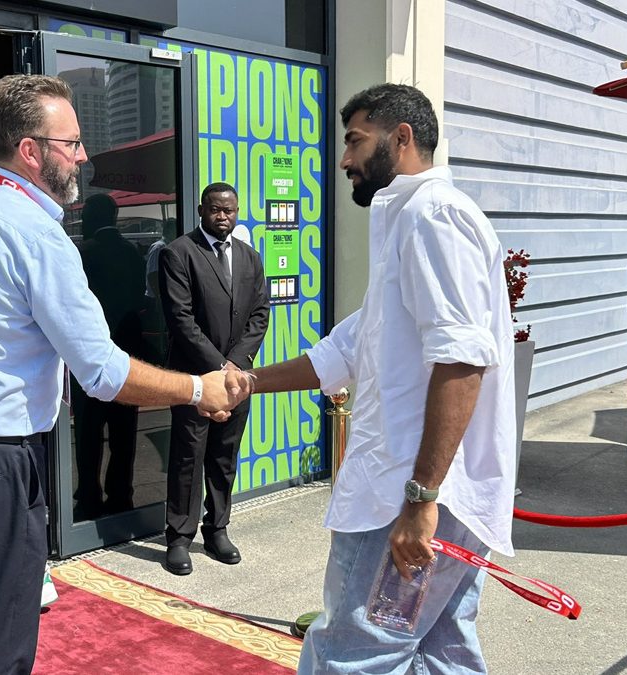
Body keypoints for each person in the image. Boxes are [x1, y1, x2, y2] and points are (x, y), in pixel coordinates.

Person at [0, 74, 247, 675]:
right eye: (73, 143)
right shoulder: (37, 233)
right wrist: (197, 389)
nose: (84, 157)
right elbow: (103, 373)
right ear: (31, 151)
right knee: (0, 633)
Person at [239, 84, 516, 673]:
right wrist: (243, 383)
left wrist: (421, 499)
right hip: (429, 495)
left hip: (406, 499)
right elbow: (345, 352)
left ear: (403, 138)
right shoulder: (407, 222)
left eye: (355, 142)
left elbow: (463, 360)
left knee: (351, 655)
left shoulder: (432, 216)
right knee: (443, 651)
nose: (344, 160)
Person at [158, 182, 269, 575]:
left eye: (230, 210)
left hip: (237, 378)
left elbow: (259, 315)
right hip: (193, 376)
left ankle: (217, 528)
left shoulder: (250, 258)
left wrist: (236, 366)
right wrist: (219, 369)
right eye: (216, 210)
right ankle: (179, 537)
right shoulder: (179, 254)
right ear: (202, 210)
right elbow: (181, 320)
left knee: (225, 456)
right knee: (188, 457)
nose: (223, 216)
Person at [73, 193, 147, 518]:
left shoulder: (83, 253)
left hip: (90, 357)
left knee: (89, 434)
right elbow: (138, 299)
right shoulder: (132, 253)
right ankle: (121, 494)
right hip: (126, 354)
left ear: (92, 218)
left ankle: (89, 495)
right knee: (123, 433)